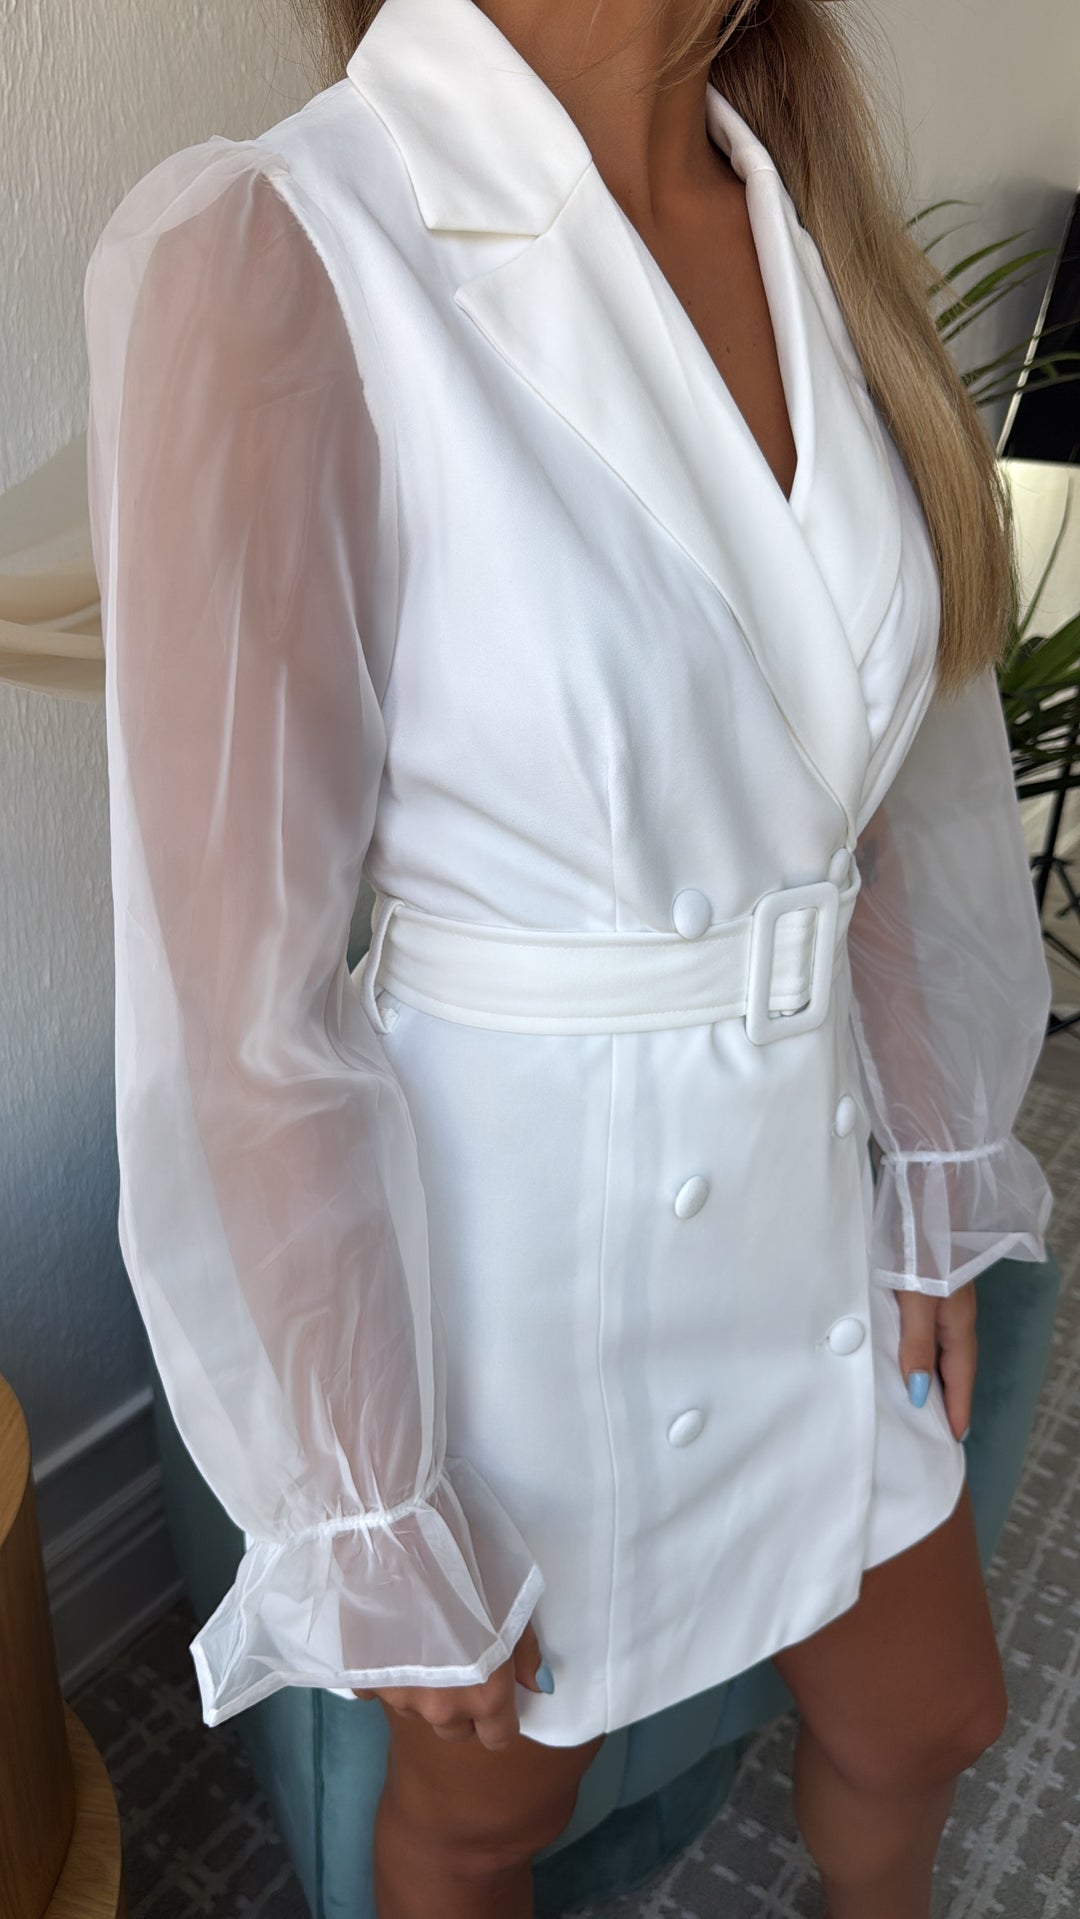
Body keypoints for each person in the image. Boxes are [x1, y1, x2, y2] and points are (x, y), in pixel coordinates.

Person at [82, 0, 1055, 1912]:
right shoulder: (292, 244)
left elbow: (879, 787)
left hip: (810, 1198)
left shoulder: (809, 214)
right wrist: (370, 1491)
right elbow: (244, 1014)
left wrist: (937, 1162)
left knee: (933, 1711)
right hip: (524, 1273)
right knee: (480, 1817)